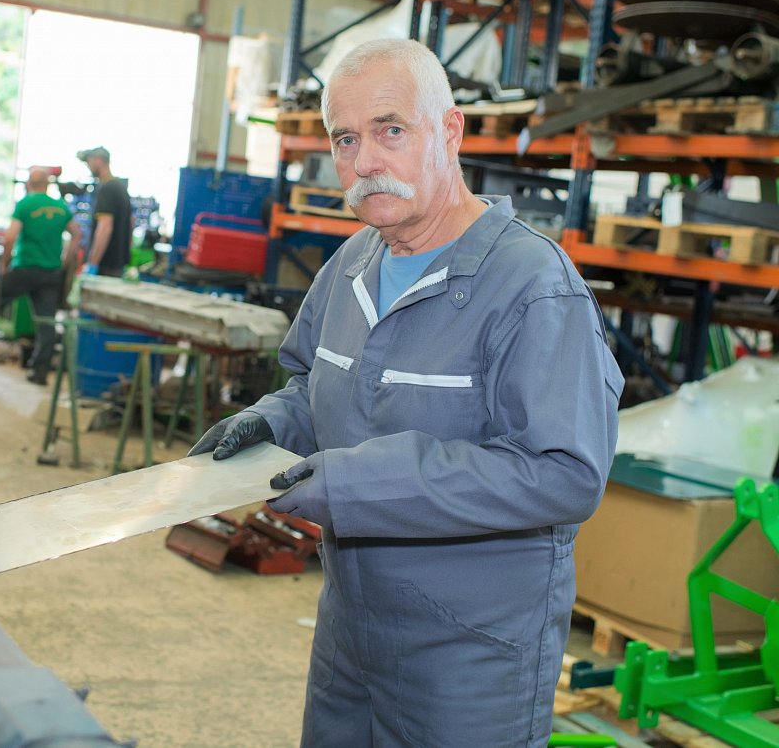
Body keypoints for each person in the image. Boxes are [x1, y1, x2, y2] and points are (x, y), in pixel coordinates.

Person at [190, 38, 623, 747]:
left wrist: (359, 483)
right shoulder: (353, 262)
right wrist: (269, 423)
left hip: (469, 653)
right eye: (346, 138)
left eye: (391, 130)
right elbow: (315, 387)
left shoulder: (531, 287)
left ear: (449, 131)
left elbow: (565, 473)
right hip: (350, 632)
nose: (365, 162)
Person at [0, 167, 81, 385]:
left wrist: (4, 264)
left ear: (29, 183)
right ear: (47, 184)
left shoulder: (25, 204)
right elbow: (77, 234)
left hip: (25, 268)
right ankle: (39, 372)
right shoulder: (61, 208)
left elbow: (9, 238)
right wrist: (65, 261)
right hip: (51, 273)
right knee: (46, 322)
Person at [77, 146, 132, 277]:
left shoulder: (107, 188)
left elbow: (104, 227)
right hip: (117, 265)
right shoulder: (120, 186)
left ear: (98, 160)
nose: (88, 165)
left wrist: (93, 264)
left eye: (88, 161)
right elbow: (131, 222)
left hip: (106, 266)